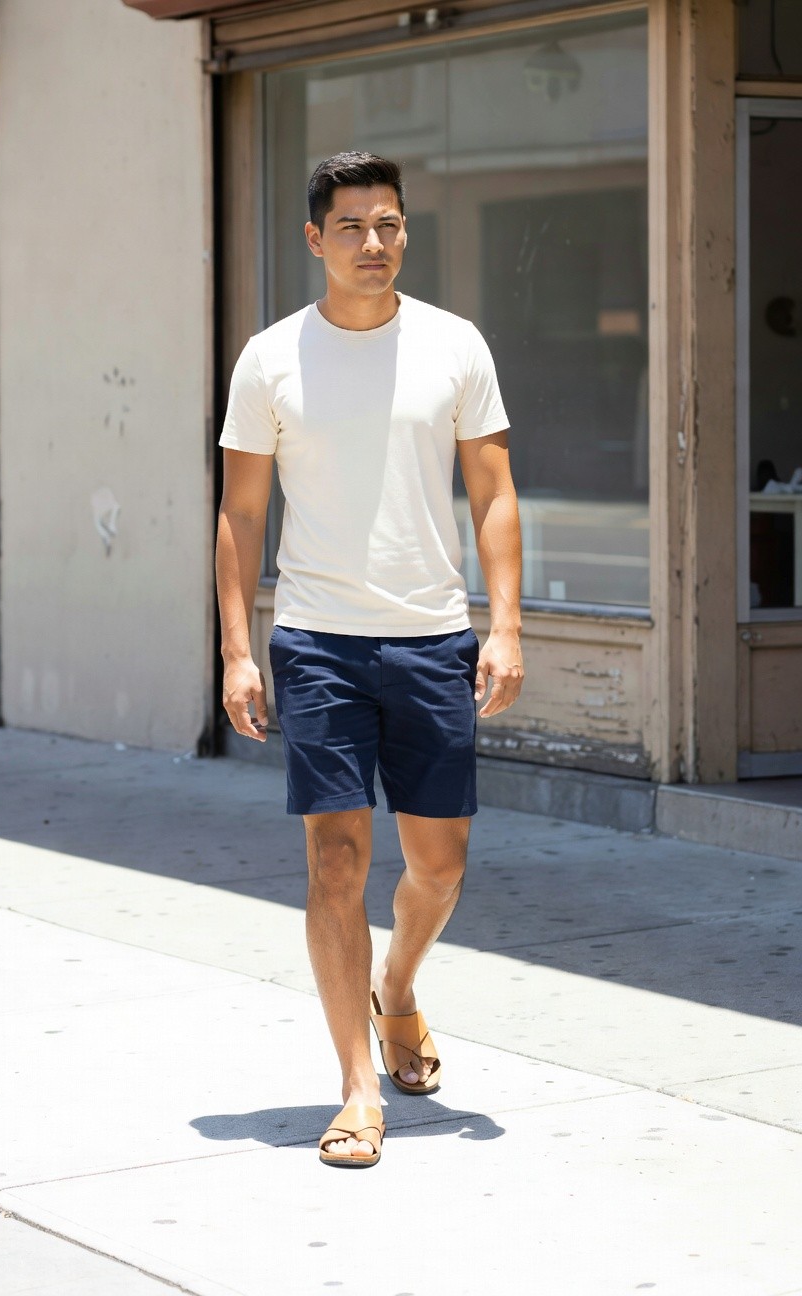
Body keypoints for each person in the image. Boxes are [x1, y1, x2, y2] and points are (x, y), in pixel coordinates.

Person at [215, 151, 524, 1168]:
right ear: (316, 240)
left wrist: (507, 623)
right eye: (351, 227)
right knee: (336, 862)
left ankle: (401, 989)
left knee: (439, 865)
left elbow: (494, 493)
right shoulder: (270, 359)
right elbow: (243, 512)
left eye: (388, 224)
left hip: (433, 637)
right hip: (318, 643)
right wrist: (237, 650)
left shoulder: (453, 345)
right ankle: (356, 1091)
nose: (374, 243)